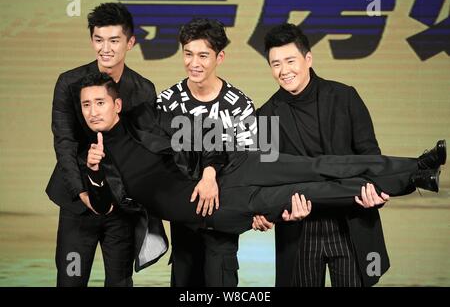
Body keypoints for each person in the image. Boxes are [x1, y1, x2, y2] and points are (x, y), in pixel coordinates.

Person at [80, 72, 445, 242]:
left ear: (116, 104)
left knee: (321, 165)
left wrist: (208, 173)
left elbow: (207, 137)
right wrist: (95, 171)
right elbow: (104, 205)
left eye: (100, 102)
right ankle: (414, 180)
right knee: (309, 190)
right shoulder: (94, 157)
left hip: (231, 168)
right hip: (214, 210)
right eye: (86, 105)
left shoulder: (144, 118)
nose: (94, 111)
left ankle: (418, 166)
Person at [254, 23, 439, 287]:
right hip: (300, 230)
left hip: (350, 222)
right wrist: (278, 212)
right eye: (275, 64)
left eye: (290, 61)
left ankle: (418, 171)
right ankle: (417, 172)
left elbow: (369, 156)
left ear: (308, 59)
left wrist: (374, 195)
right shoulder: (267, 116)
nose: (284, 71)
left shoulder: (344, 97)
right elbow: (271, 176)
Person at [45, 3, 168, 287]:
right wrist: (82, 192)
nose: (106, 48)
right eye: (99, 40)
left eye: (114, 40)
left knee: (120, 281)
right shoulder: (69, 83)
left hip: (121, 207)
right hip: (78, 203)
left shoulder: (143, 89)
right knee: (70, 279)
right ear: (92, 40)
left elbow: (145, 147)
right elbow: (64, 141)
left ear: (130, 42)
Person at [156, 18, 258, 287]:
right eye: (188, 54)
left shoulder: (240, 105)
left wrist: (258, 207)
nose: (194, 63)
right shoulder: (167, 102)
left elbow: (251, 162)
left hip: (224, 217)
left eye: (203, 55)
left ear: (219, 57)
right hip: (183, 218)